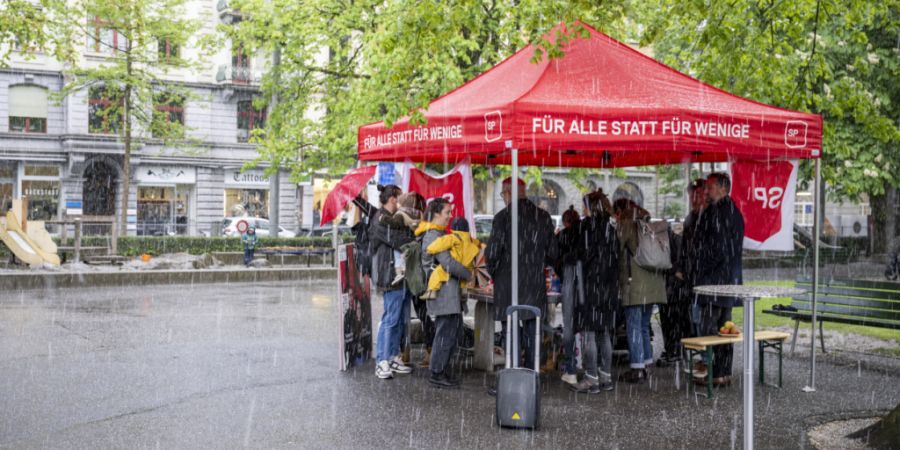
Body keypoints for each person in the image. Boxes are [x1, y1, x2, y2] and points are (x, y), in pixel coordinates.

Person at [485, 177, 558, 371]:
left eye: (503, 194)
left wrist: (495, 274)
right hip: (534, 283)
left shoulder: (503, 217)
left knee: (510, 330)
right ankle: (531, 373)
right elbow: (553, 253)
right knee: (533, 331)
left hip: (507, 283)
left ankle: (513, 373)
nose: (503, 198)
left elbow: (491, 254)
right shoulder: (542, 216)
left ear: (508, 193)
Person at [694, 172, 745, 387]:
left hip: (715, 282)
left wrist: (700, 267)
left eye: (711, 187)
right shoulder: (734, 211)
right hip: (728, 281)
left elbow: (716, 248)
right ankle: (724, 373)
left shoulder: (718, 213)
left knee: (711, 329)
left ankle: (715, 373)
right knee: (726, 329)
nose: (707, 191)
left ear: (723, 188)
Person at [418, 198, 472, 388]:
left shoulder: (438, 234)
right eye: (447, 212)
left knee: (452, 331)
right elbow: (447, 263)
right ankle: (437, 372)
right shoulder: (433, 236)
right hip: (443, 293)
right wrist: (468, 274)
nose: (450, 216)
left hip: (448, 293)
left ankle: (442, 369)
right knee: (445, 332)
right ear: (436, 214)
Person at [570, 191, 619, 393]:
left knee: (589, 333)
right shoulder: (611, 228)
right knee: (604, 333)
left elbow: (580, 257)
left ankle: (591, 378)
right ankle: (605, 376)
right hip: (609, 288)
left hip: (591, 287)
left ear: (590, 207)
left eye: (584, 206)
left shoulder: (587, 228)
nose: (583, 210)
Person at [614, 198, 667, 384]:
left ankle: (637, 368)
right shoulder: (650, 225)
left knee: (633, 326)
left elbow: (615, 249)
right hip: (653, 284)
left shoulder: (626, 226)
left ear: (620, 211)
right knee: (644, 325)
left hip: (634, 284)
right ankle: (646, 364)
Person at [369, 184, 416, 380]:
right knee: (390, 318)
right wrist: (407, 234)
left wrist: (407, 235)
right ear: (393, 199)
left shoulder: (393, 219)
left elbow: (408, 237)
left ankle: (393, 356)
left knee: (400, 319)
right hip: (390, 276)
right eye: (399, 197)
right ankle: (382, 360)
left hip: (402, 275)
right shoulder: (380, 219)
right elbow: (400, 240)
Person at [658, 180, 706, 366]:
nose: (694, 199)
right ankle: (678, 350)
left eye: (697, 194)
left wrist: (681, 270)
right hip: (685, 280)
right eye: (692, 195)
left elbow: (695, 251)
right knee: (676, 315)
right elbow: (687, 250)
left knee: (688, 319)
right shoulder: (691, 218)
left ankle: (685, 352)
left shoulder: (703, 218)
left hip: (693, 280)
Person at [554, 205, 583, 386]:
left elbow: (555, 258)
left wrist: (563, 273)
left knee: (569, 326)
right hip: (586, 283)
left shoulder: (563, 236)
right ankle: (593, 371)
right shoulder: (585, 234)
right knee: (587, 327)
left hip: (569, 281)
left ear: (565, 222)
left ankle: (571, 369)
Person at [423, 217, 481, 299]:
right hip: (468, 266)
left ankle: (432, 291)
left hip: (456, 262)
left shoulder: (453, 237)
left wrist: (429, 249)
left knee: (437, 273)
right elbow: (479, 244)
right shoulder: (471, 240)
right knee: (464, 281)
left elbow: (440, 243)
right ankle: (464, 290)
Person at [380, 192, 425, 285]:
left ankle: (400, 272)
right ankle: (406, 269)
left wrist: (383, 219)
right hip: (414, 239)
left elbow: (395, 223)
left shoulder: (401, 214)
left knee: (397, 253)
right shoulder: (418, 213)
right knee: (406, 255)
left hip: (403, 240)